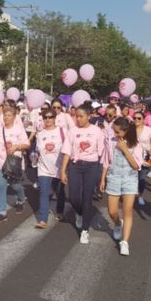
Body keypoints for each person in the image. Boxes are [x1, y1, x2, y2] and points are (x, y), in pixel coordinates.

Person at [60, 104, 106, 244]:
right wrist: (63, 170)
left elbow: (102, 153)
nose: (78, 119)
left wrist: (103, 175)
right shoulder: (72, 131)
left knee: (87, 197)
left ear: (89, 116)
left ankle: (85, 230)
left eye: (81, 116)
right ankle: (79, 213)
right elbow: (67, 151)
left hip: (91, 166)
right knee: (73, 196)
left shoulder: (97, 131)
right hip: (75, 166)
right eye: (76, 116)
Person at [100, 117, 143, 256]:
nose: (115, 134)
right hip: (113, 178)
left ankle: (125, 242)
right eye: (114, 131)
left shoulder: (136, 145)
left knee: (127, 211)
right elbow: (106, 161)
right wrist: (103, 179)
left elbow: (136, 165)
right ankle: (118, 224)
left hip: (130, 179)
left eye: (117, 132)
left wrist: (125, 149)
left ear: (125, 131)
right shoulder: (111, 142)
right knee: (112, 211)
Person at [0, 106, 30, 223]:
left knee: (15, 186)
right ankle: (2, 213)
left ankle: (21, 199)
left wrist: (16, 147)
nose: (6, 118)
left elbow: (27, 144)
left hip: (14, 163)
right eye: (5, 115)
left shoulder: (19, 129)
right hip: (0, 162)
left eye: (9, 115)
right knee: (1, 185)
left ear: (14, 117)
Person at [34, 108, 65, 228]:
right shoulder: (40, 133)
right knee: (44, 193)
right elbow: (38, 150)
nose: (47, 119)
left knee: (59, 192)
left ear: (55, 118)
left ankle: (60, 211)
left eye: (50, 117)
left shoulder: (62, 131)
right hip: (43, 168)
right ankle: (43, 219)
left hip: (58, 167)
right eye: (45, 117)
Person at [133, 110, 151, 205]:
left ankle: (141, 195)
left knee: (142, 177)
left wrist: (150, 152)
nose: (136, 120)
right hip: (133, 156)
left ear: (143, 120)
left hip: (146, 155)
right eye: (134, 118)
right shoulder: (130, 129)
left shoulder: (149, 130)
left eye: (139, 118)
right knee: (132, 176)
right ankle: (130, 194)